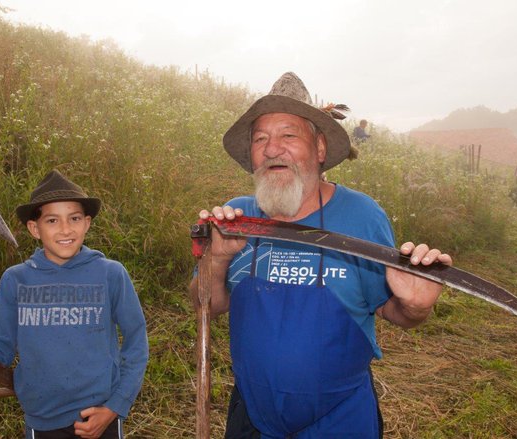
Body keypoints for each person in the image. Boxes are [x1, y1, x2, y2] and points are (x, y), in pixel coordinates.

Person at [188, 72, 452, 438]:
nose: (271, 147)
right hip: (252, 418)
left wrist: (416, 306)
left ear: (321, 148)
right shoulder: (236, 219)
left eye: (288, 135)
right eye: (260, 138)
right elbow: (207, 306)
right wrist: (216, 259)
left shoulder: (361, 216)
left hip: (339, 420)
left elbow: (395, 312)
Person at [0, 170, 149, 439]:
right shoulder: (16, 281)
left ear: (87, 223)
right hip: (43, 422)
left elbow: (136, 341)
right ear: (34, 228)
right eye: (52, 220)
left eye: (74, 218)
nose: (65, 229)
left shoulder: (110, 274)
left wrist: (115, 406)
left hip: (99, 419)